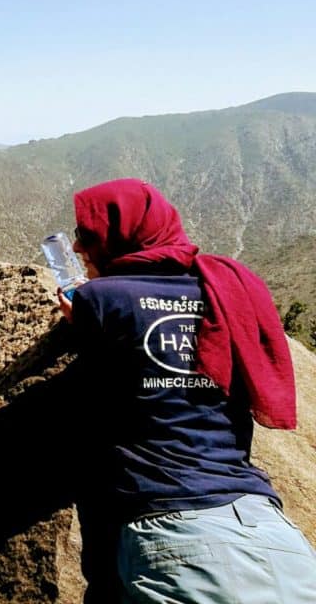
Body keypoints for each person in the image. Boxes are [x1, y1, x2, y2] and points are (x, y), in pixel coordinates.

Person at [56, 178, 316, 604]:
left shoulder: (103, 299)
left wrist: (83, 312)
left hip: (175, 533)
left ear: (119, 236)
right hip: (268, 528)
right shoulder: (223, 289)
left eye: (86, 236)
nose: (80, 249)